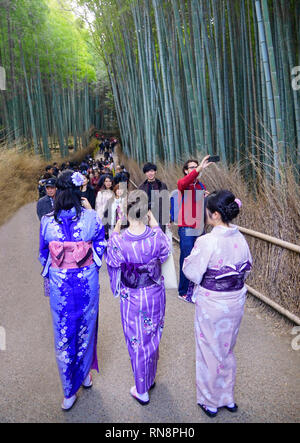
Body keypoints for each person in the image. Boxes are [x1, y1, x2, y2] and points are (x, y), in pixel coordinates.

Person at [38, 170, 107, 411]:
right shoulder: (90, 216)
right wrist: (87, 257)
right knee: (85, 328)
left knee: (64, 332)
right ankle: (82, 377)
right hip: (86, 280)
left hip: (60, 283)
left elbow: (43, 254)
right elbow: (101, 244)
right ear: (78, 191)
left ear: (57, 191)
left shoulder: (47, 220)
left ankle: (70, 389)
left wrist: (59, 260)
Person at [182, 190, 252, 418]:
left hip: (213, 303)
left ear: (214, 215)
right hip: (235, 301)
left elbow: (192, 272)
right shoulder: (240, 237)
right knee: (227, 349)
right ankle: (227, 397)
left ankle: (210, 401)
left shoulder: (207, 241)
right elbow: (247, 268)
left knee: (209, 350)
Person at [106, 199, 171, 405]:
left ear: (126, 215)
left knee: (136, 340)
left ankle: (141, 388)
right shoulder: (156, 237)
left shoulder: (118, 240)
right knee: (151, 335)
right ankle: (149, 378)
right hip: (153, 292)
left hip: (131, 295)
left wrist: (116, 226)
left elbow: (113, 262)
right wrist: (154, 223)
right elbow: (165, 252)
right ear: (147, 213)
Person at [177, 155, 212, 303]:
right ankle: (183, 291)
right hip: (186, 226)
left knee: (199, 258)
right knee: (186, 257)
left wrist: (205, 197)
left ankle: (195, 288)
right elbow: (184, 183)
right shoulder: (183, 183)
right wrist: (199, 168)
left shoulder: (200, 185)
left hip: (199, 226)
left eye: (196, 166)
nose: (196, 169)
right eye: (192, 167)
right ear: (186, 171)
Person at [139, 162, 168, 232]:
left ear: (155, 172)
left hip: (160, 217)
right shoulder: (141, 187)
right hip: (147, 217)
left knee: (160, 237)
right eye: (147, 171)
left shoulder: (162, 185)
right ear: (145, 173)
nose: (150, 173)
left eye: (152, 171)